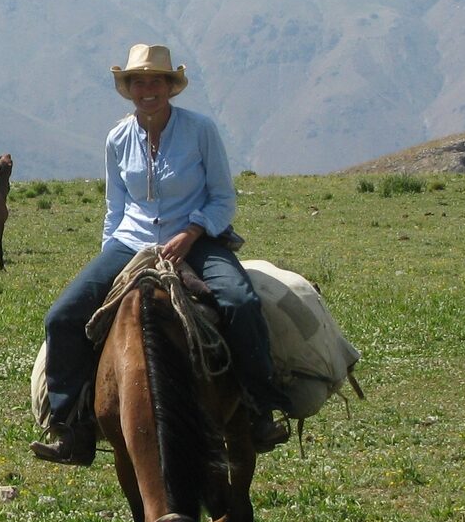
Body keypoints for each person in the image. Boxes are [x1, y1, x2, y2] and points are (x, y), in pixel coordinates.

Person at [30, 44, 291, 465]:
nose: (147, 89)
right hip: (131, 242)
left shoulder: (200, 130)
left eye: (156, 80)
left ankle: (259, 409)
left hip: (196, 237)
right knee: (61, 316)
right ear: (129, 89)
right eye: (139, 82)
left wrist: (192, 231)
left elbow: (224, 198)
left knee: (240, 302)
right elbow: (115, 207)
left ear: (170, 87)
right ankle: (70, 427)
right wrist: (109, 262)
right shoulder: (118, 137)